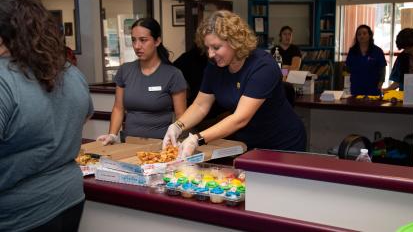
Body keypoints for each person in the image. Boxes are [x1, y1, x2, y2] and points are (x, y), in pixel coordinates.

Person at [0, 0, 93, 231]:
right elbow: (83, 116)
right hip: (69, 198)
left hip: (18, 213)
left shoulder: (4, 78)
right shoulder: (69, 72)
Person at [162, 10, 306, 157]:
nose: (210, 54)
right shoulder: (215, 65)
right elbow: (201, 105)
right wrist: (177, 126)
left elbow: (240, 118)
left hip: (283, 142)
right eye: (208, 48)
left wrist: (196, 139)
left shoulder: (263, 66)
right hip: (248, 141)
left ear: (235, 42)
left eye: (216, 47)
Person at [97, 18, 187, 145]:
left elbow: (181, 116)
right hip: (128, 143)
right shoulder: (125, 70)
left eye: (143, 40)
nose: (137, 46)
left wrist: (178, 141)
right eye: (134, 40)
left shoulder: (173, 74)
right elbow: (118, 108)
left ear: (157, 41)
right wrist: (112, 134)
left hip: (161, 145)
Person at [345, 25, 386, 95]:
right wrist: (347, 86)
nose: (361, 36)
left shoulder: (378, 51)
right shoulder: (352, 51)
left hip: (373, 88)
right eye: (359, 34)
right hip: (356, 87)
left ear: (370, 35)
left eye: (364, 33)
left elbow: (382, 69)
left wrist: (381, 83)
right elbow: (347, 69)